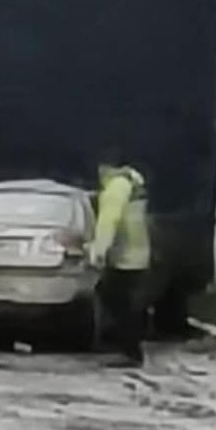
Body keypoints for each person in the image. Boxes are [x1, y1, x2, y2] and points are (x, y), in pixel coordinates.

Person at [89, 146, 151, 367]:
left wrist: (98, 251)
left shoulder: (116, 188)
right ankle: (126, 346)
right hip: (138, 252)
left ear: (105, 167)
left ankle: (128, 350)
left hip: (125, 256)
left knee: (116, 300)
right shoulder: (131, 184)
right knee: (122, 300)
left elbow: (109, 220)